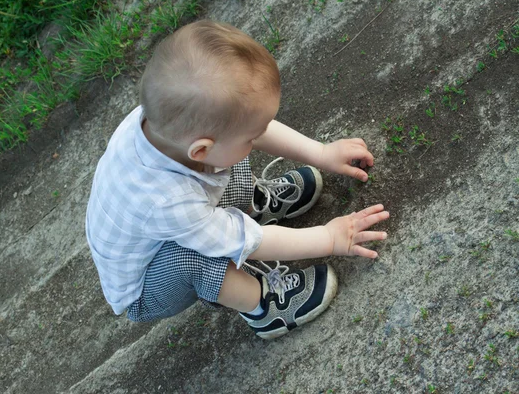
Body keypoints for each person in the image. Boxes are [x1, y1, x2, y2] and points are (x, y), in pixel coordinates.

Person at [85, 20, 389, 339]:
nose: (257, 137)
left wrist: (321, 152)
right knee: (194, 256)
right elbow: (248, 240)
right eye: (253, 136)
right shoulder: (168, 202)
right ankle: (263, 305)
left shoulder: (170, 123)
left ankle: (251, 203)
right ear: (200, 149)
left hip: (170, 219)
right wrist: (329, 238)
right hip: (151, 286)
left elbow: (249, 128)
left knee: (232, 152)